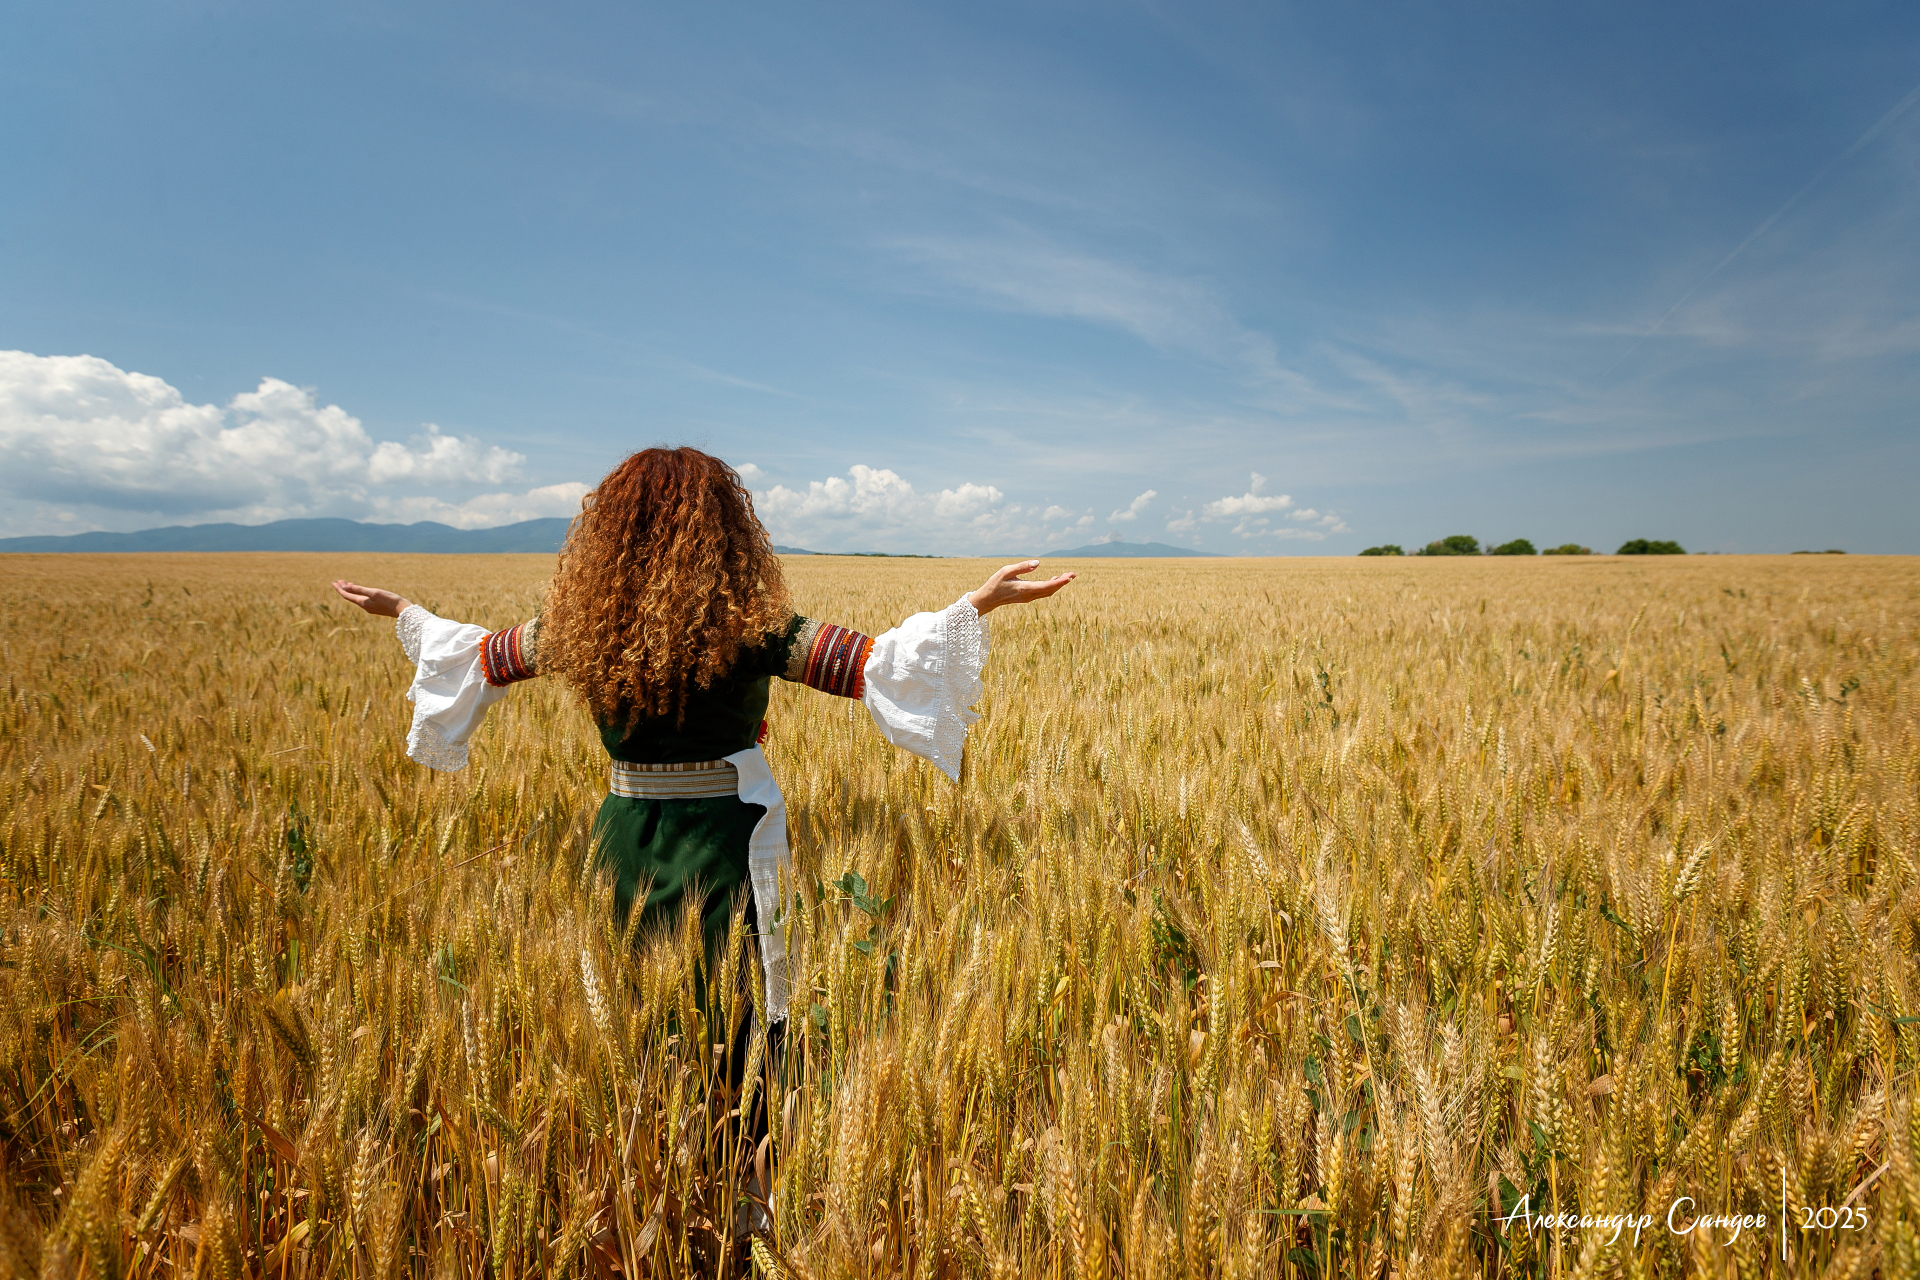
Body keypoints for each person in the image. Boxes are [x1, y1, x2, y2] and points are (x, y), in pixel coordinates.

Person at [330, 446, 1073, 1026]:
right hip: (727, 840)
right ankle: (746, 1178)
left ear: (610, 534)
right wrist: (977, 603)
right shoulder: (751, 627)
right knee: (740, 1013)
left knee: (637, 1012)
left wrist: (406, 614)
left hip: (621, 837)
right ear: (725, 529)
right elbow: (875, 667)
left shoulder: (574, 631)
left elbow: (480, 659)